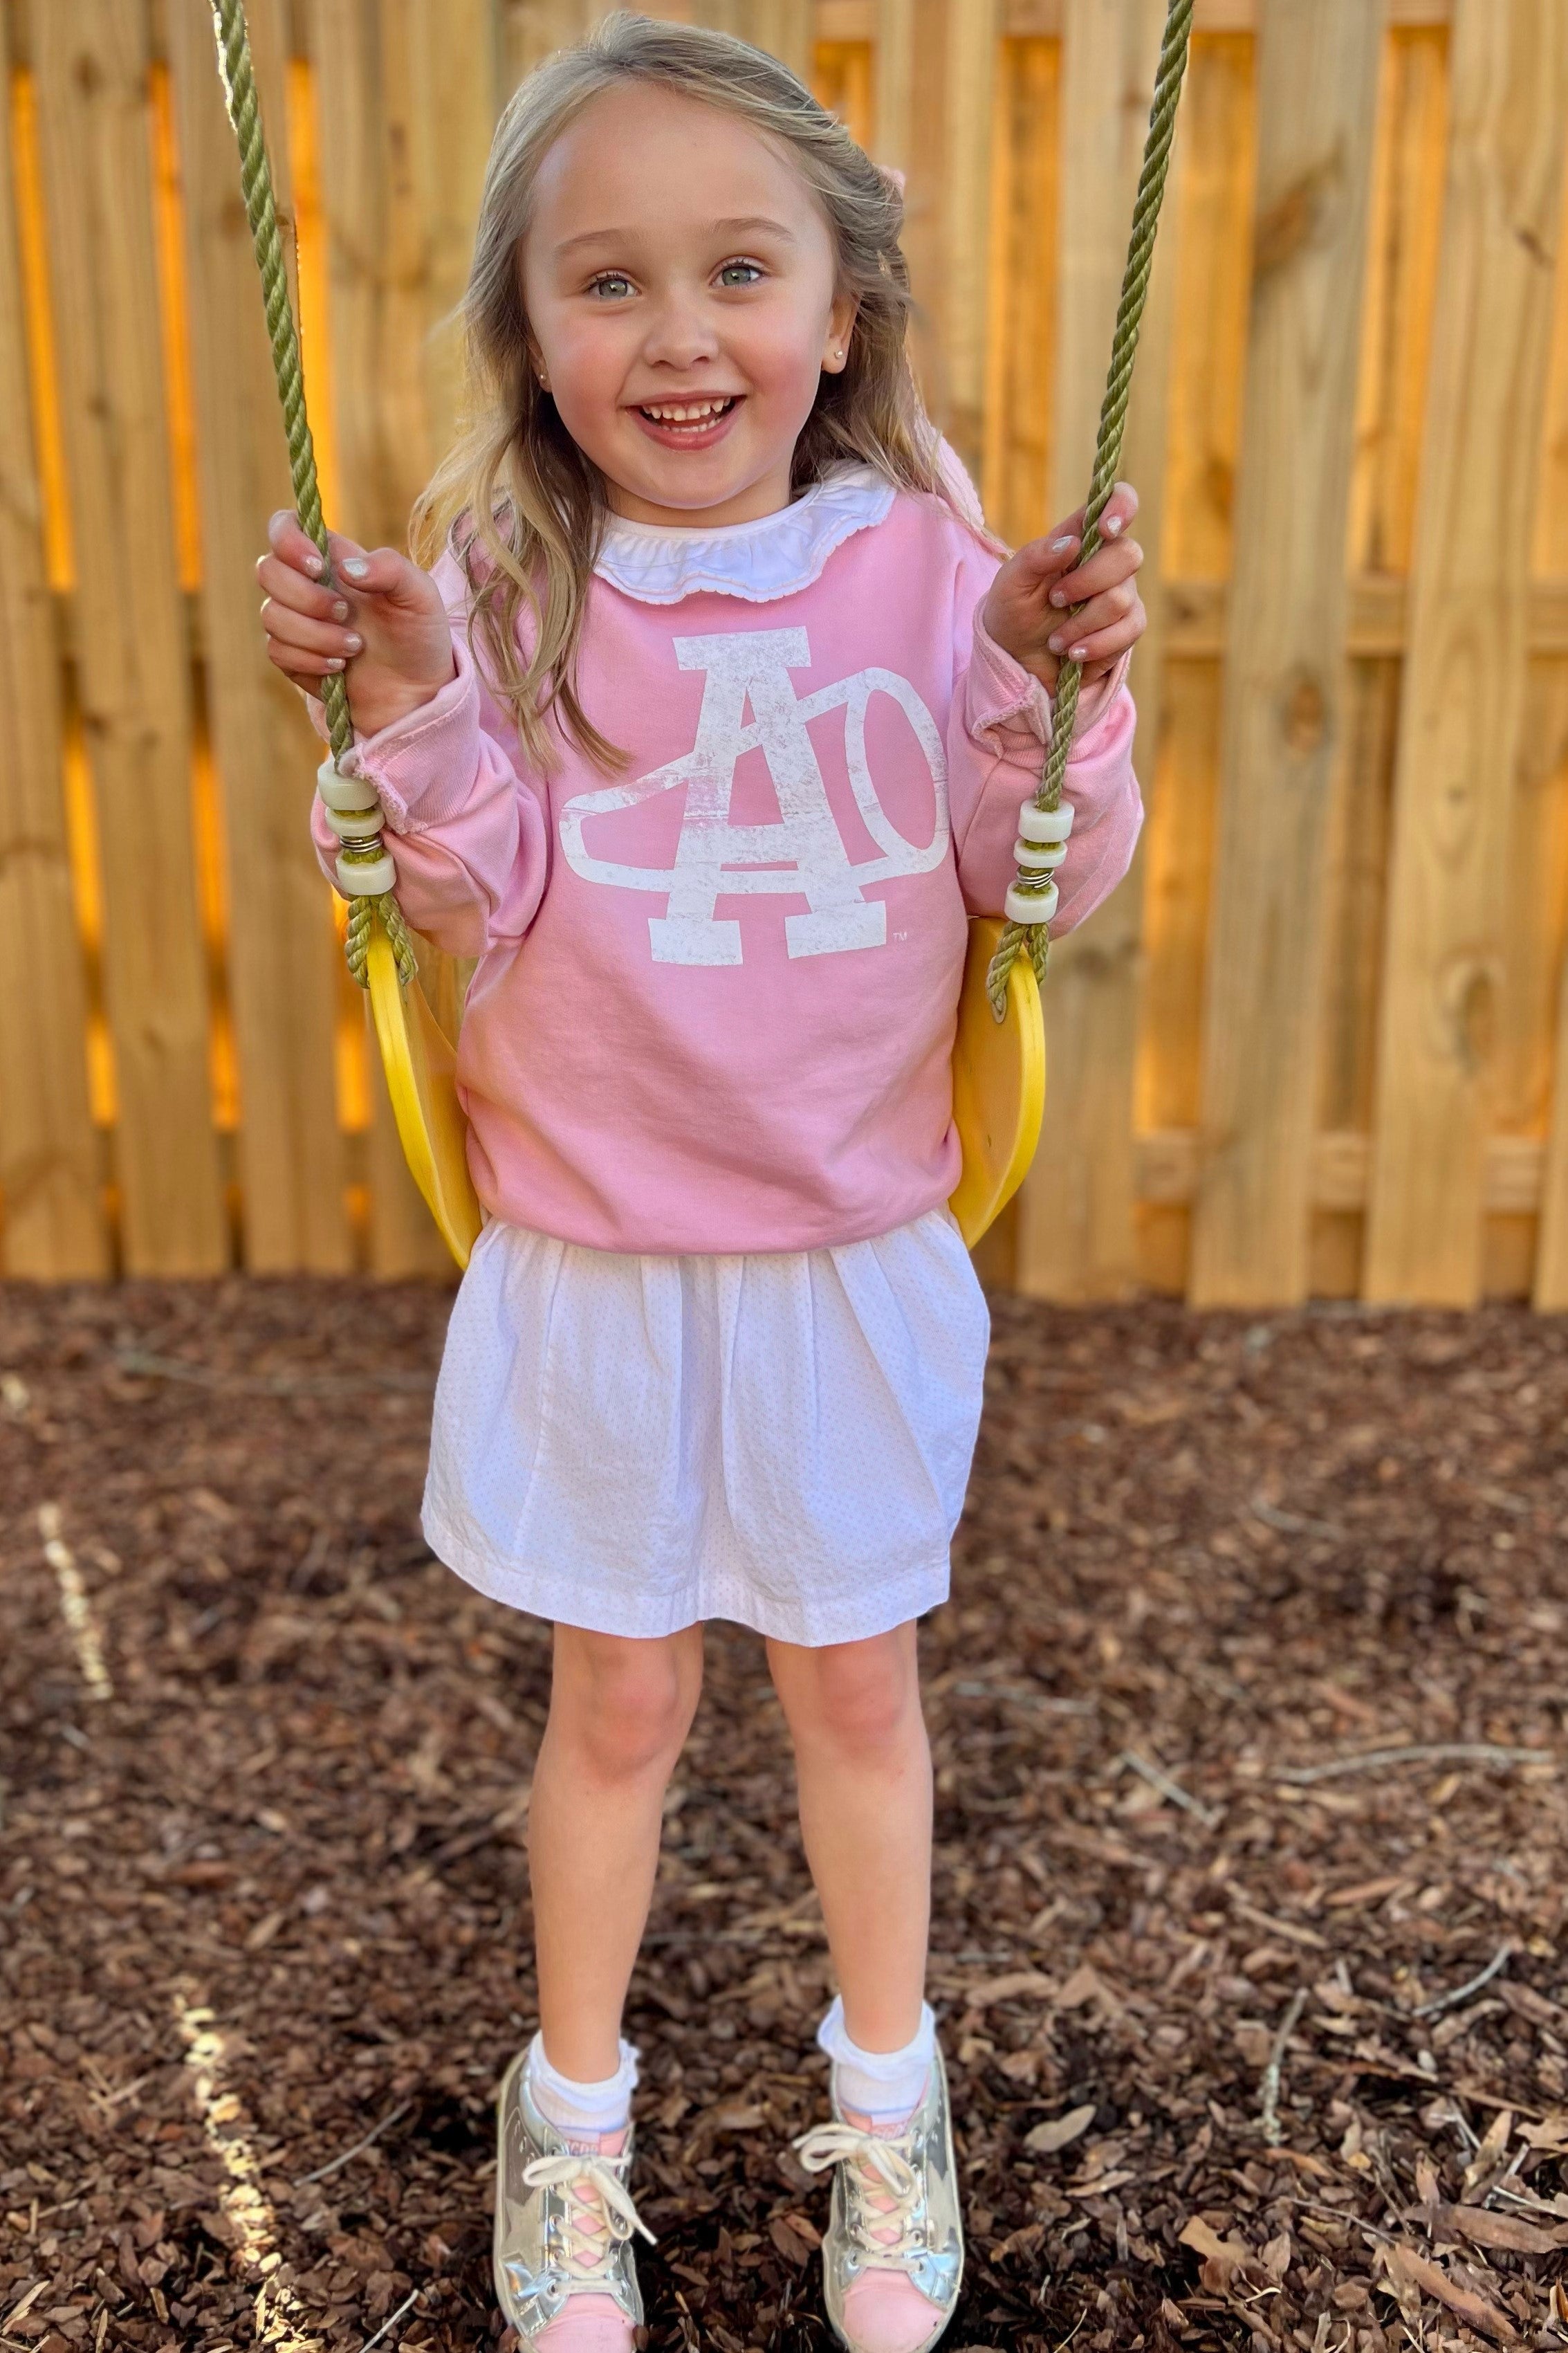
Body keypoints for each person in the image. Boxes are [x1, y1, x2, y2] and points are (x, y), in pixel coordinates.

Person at [256, 15, 1145, 2350]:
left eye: (737, 269)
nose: (678, 333)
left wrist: (1056, 692)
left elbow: (1032, 863)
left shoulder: (940, 564)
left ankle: (888, 2087)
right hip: (597, 1260)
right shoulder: (506, 580)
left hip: (847, 1250)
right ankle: (575, 2118)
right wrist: (408, 697)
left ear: (836, 311)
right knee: (619, 1707)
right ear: (532, 335)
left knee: (857, 1693)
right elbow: (470, 895)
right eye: (608, 281)